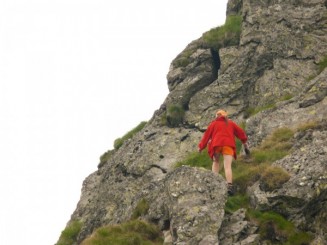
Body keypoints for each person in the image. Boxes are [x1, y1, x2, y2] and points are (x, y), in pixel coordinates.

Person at [198, 109, 249, 195]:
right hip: (228, 145)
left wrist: (200, 147)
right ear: (225, 115)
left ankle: (214, 181)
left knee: (216, 162)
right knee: (227, 166)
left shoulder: (213, 124)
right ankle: (229, 186)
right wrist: (244, 142)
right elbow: (240, 133)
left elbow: (206, 136)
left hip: (216, 145)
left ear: (217, 116)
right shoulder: (230, 123)